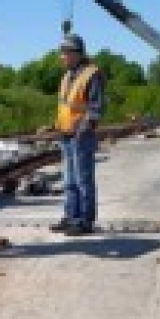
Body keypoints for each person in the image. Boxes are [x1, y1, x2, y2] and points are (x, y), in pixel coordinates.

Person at [50, 34, 105, 236]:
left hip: (81, 136)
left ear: (75, 53)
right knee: (69, 180)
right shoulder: (67, 76)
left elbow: (96, 107)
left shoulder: (91, 74)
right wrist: (55, 125)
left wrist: (84, 128)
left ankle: (85, 220)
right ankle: (71, 216)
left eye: (64, 53)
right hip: (66, 134)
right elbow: (66, 106)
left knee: (83, 180)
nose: (61, 57)